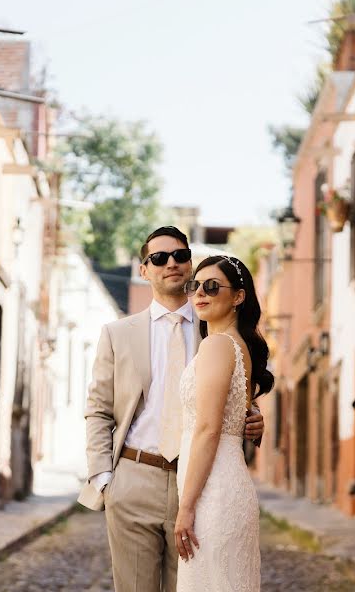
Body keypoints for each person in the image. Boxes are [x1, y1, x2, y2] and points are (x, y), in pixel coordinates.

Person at [79, 227, 265, 592]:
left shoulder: (214, 324)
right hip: (135, 477)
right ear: (144, 270)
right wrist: (105, 478)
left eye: (180, 256)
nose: (172, 264)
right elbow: (98, 410)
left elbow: (229, 396)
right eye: (159, 258)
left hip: (200, 479)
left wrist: (252, 415)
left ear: (191, 262)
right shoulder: (117, 334)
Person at [173, 255, 272, 592]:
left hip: (213, 493)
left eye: (212, 286)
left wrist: (185, 509)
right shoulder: (235, 346)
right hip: (225, 485)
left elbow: (208, 428)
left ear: (238, 296)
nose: (200, 292)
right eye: (194, 285)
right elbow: (236, 410)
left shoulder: (216, 344)